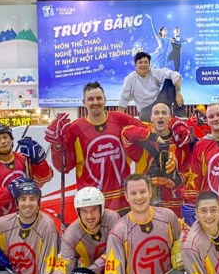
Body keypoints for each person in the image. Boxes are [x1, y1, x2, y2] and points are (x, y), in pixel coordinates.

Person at [46, 82, 145, 212]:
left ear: (105, 100)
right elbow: (64, 166)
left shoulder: (122, 119)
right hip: (91, 204)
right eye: (90, 99)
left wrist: (164, 133)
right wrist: (57, 146)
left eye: (99, 98)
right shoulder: (75, 129)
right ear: (84, 102)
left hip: (123, 200)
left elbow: (147, 133)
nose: (95, 102)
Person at [120, 102, 191, 215]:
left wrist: (177, 179)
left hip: (172, 200)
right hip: (146, 199)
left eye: (164, 113)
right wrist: (152, 136)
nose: (160, 116)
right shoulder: (142, 135)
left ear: (170, 118)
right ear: (151, 118)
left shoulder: (179, 139)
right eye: (156, 113)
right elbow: (125, 132)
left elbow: (188, 169)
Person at [0, 123, 52, 222]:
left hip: (25, 216)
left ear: (11, 139)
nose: (3, 142)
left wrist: (39, 161)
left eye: (5, 137)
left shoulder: (24, 159)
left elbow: (44, 178)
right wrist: (10, 190)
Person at [117, 52, 185, 120]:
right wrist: (120, 119)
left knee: (170, 80)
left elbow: (174, 75)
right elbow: (124, 98)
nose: (143, 65)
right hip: (146, 110)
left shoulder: (154, 72)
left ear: (149, 64)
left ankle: (180, 116)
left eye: (146, 62)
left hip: (160, 102)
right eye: (140, 62)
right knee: (143, 116)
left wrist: (178, 92)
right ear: (135, 64)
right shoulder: (130, 79)